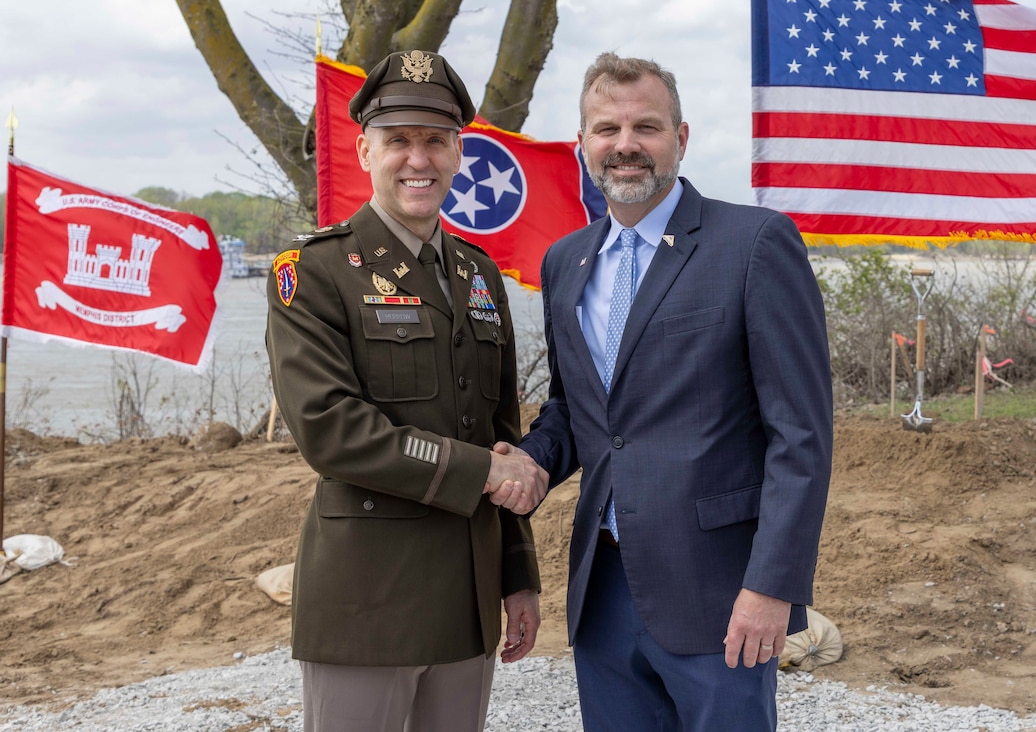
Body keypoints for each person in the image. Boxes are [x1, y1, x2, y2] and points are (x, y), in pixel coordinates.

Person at [499, 52, 833, 730]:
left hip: (720, 593)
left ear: (681, 138)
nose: (626, 145)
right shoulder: (565, 263)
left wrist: (772, 587)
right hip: (604, 590)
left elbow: (802, 436)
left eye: (646, 127)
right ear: (583, 144)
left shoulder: (755, 244)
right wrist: (533, 460)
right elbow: (577, 408)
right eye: (606, 129)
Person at [265, 49, 547, 732]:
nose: (417, 159)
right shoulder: (314, 271)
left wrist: (517, 574)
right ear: (364, 150)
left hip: (467, 596)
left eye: (435, 141)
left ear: (459, 153)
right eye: (398, 141)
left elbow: (497, 431)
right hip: (368, 601)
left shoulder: (477, 276)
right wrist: (485, 472)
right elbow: (330, 429)